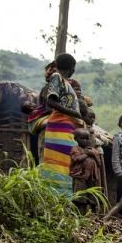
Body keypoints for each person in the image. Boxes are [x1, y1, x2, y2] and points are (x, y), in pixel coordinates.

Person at [38, 53, 84, 198]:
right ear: (71, 68)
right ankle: (53, 198)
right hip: (59, 126)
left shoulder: (65, 81)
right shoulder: (56, 77)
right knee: (57, 164)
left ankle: (62, 199)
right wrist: (73, 113)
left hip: (65, 127)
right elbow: (51, 102)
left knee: (64, 165)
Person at [69, 127, 106, 205]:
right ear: (75, 139)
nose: (85, 141)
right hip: (80, 177)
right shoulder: (75, 149)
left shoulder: (93, 150)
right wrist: (87, 154)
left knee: (93, 198)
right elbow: (77, 159)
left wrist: (94, 155)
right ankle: (80, 215)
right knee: (80, 197)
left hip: (92, 178)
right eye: (82, 138)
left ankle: (91, 215)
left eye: (87, 139)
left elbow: (99, 164)